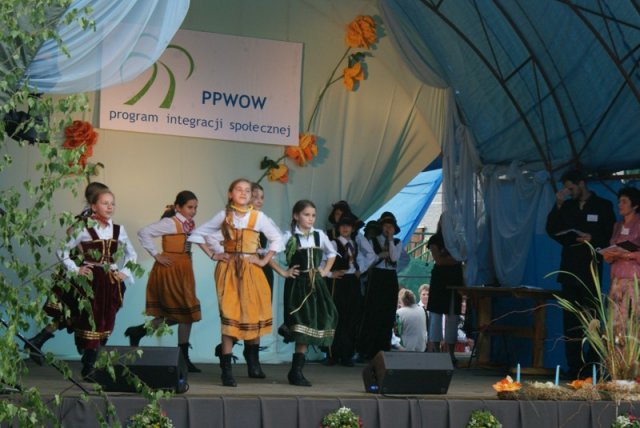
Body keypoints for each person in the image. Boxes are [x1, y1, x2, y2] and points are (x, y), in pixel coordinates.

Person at [188, 178, 283, 387]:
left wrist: (263, 260)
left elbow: (277, 239)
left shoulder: (258, 217)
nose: (243, 193)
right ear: (230, 194)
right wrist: (214, 254)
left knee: (251, 313)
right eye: (239, 189)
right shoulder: (224, 215)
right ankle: (226, 370)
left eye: (247, 190)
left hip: (251, 270)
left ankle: (251, 362)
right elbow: (197, 235)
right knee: (229, 316)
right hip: (229, 269)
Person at [24, 182, 109, 364]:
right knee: (81, 310)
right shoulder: (89, 214)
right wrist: (85, 253)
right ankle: (87, 355)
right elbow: (71, 230)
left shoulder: (93, 215)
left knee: (76, 311)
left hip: (86, 268)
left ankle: (39, 341)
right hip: (83, 269)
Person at [58, 188, 137, 380]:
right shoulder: (83, 228)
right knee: (91, 319)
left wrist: (125, 272)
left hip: (110, 280)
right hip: (92, 281)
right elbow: (62, 250)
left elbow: (131, 254)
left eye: (112, 203)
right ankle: (89, 365)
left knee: (107, 319)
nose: (110, 207)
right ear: (93, 206)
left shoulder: (118, 229)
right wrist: (76, 269)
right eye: (105, 203)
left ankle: (91, 357)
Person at [546, 169, 615, 379]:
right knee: (571, 322)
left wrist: (593, 238)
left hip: (590, 270)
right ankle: (574, 367)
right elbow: (552, 229)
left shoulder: (603, 205)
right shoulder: (567, 206)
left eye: (571, 188)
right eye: (566, 189)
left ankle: (592, 368)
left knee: (592, 320)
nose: (569, 192)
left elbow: (610, 235)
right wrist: (558, 204)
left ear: (582, 183)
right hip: (569, 269)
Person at [124, 191, 202, 372]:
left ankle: (139, 331)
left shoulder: (189, 224)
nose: (193, 211)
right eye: (190, 207)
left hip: (184, 269)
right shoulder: (170, 223)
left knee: (181, 314)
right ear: (178, 207)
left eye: (195, 207)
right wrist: (156, 255)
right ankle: (183, 358)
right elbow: (143, 232)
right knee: (186, 313)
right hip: (170, 269)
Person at [270, 200, 338, 386]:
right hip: (298, 285)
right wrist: (284, 272)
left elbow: (332, 254)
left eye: (313, 215)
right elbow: (269, 255)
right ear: (296, 216)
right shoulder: (289, 236)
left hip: (316, 284)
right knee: (301, 323)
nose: (310, 218)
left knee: (315, 320)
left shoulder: (319, 235)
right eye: (306, 214)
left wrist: (324, 271)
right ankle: (296, 372)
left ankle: (296, 371)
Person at [324, 214, 375, 366]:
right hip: (338, 282)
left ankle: (346, 354)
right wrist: (330, 273)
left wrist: (361, 269)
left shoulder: (354, 244)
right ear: (338, 228)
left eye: (348, 226)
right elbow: (322, 261)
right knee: (336, 316)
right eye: (342, 226)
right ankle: (332, 354)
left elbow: (370, 256)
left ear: (353, 229)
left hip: (352, 281)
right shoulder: (333, 243)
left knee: (351, 317)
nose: (345, 228)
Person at [356, 212, 402, 361]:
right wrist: (380, 255)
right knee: (373, 312)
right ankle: (367, 349)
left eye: (391, 226)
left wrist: (390, 240)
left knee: (388, 313)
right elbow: (370, 260)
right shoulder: (373, 241)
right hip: (377, 276)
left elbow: (394, 257)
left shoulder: (397, 242)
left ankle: (383, 348)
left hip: (390, 277)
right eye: (386, 226)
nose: (388, 229)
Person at [601, 187, 640, 335]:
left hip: (634, 281)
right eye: (619, 201)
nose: (619, 205)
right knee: (615, 324)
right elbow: (611, 253)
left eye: (624, 201)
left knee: (632, 322)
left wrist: (629, 255)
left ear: (635, 205)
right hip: (616, 281)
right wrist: (609, 255)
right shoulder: (617, 226)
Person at [427, 214, 463, 366]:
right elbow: (439, 260)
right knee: (436, 315)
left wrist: (453, 260)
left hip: (455, 280)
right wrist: (454, 260)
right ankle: (436, 351)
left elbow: (462, 256)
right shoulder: (435, 239)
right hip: (440, 280)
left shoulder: (458, 239)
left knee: (453, 316)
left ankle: (451, 353)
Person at [251, 182, 275, 300]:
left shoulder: (264, 220)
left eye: (262, 197)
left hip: (262, 268)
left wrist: (264, 260)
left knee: (263, 303)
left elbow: (278, 241)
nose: (259, 201)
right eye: (255, 197)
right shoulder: (235, 219)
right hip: (243, 267)